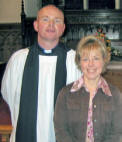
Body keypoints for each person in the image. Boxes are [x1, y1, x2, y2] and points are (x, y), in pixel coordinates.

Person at [1, 4, 81, 142]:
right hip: (25, 133)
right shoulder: (19, 59)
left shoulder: (75, 61)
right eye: (45, 19)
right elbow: (8, 94)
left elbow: (81, 102)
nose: (51, 24)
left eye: (57, 21)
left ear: (63, 28)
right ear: (36, 25)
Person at [54, 35, 122, 142]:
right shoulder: (65, 94)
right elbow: (61, 130)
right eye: (86, 59)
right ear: (79, 62)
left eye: (96, 58)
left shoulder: (115, 94)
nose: (91, 64)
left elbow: (116, 132)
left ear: (104, 61)